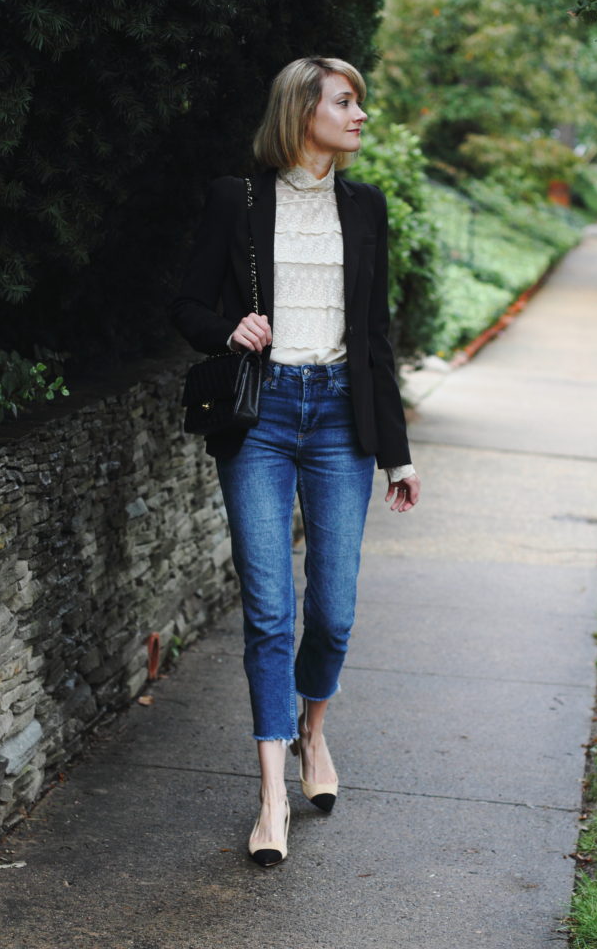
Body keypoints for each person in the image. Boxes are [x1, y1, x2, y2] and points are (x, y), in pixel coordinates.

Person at [169, 56, 420, 867]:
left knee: (334, 611)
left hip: (340, 422)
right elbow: (186, 306)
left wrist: (397, 456)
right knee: (270, 611)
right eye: (346, 102)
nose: (360, 116)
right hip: (265, 417)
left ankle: (316, 732)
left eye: (359, 104)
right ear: (301, 111)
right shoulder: (236, 200)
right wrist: (228, 329)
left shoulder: (366, 207)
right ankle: (271, 795)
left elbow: (375, 337)